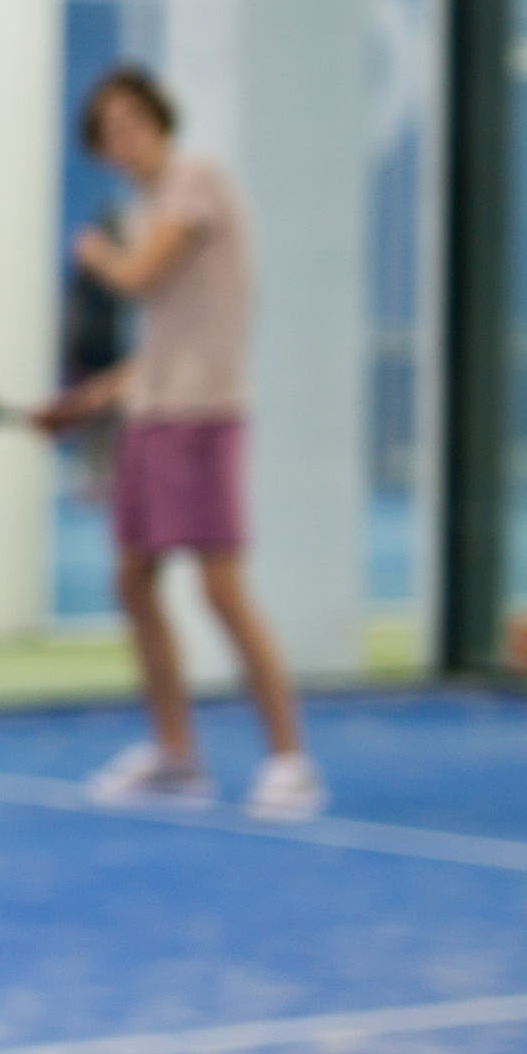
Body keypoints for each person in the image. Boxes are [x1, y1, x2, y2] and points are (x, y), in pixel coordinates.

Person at [36, 64, 326, 820]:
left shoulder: (196, 182)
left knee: (220, 588)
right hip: (151, 415)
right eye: (108, 129)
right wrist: (87, 401)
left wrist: (97, 257)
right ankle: (176, 757)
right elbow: (160, 339)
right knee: (134, 582)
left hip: (206, 418)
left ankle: (291, 762)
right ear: (99, 147)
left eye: (133, 119)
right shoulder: (139, 210)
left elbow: (139, 280)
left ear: (161, 120)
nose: (124, 136)